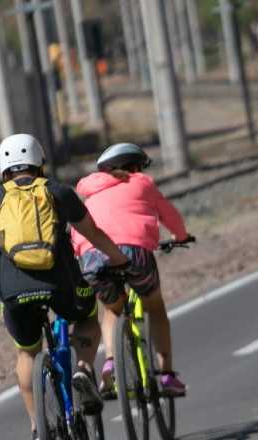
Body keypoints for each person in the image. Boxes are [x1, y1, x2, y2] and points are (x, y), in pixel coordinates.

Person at [0, 134, 129, 440]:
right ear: (40, 162)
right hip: (61, 283)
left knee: (27, 353)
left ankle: (37, 426)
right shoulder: (58, 191)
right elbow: (93, 232)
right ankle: (83, 369)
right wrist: (117, 259)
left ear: (3, 168)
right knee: (88, 317)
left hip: (12, 289)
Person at [71, 143, 192, 397]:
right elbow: (169, 215)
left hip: (93, 257)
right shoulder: (143, 183)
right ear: (135, 166)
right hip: (133, 253)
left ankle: (110, 365)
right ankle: (167, 375)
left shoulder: (90, 193)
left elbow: (79, 229)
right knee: (155, 306)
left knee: (112, 309)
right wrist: (181, 236)